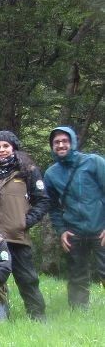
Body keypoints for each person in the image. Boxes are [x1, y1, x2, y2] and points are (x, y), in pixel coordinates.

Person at [0, 130, 48, 320]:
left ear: (13, 147)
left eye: (6, 146)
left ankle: (37, 316)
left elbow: (43, 201)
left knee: (27, 278)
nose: (2, 150)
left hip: (18, 236)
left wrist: (25, 222)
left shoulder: (27, 170)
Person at [44, 126, 105, 309]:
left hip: (100, 228)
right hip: (74, 231)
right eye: (56, 142)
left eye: (65, 141)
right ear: (52, 146)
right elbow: (52, 206)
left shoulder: (94, 162)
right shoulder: (51, 174)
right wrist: (61, 230)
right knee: (77, 275)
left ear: (73, 142)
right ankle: (79, 312)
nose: (61, 145)